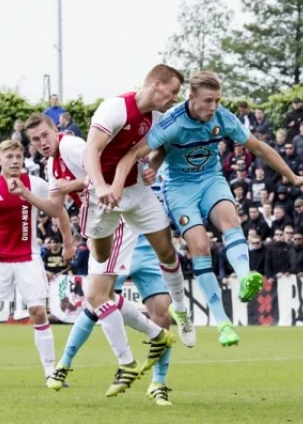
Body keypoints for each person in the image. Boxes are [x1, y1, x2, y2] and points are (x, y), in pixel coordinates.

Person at [110, 71, 303, 346]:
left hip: (211, 180)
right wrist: (126, 181)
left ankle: (245, 276)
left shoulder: (223, 118)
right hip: (179, 189)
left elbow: (258, 147)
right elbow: (136, 153)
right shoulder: (172, 122)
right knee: (200, 246)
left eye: (217, 100)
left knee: (231, 222)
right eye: (208, 101)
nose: (213, 107)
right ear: (192, 97)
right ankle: (223, 323)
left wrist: (292, 176)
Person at [24, 111, 188, 395]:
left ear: (56, 130)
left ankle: (127, 361)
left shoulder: (70, 146)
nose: (42, 142)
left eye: (45, 135)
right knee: (101, 297)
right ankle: (156, 335)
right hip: (101, 223)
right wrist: (24, 194)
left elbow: (106, 172)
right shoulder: (52, 164)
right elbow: (55, 207)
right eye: (36, 140)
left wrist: (71, 185)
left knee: (96, 296)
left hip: (118, 217)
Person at [78, 65, 182, 394]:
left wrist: (153, 166)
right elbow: (90, 150)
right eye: (173, 91)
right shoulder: (116, 108)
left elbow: (162, 146)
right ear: (156, 84)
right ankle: (150, 334)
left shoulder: (157, 119)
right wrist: (99, 186)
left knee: (166, 246)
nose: (175, 97)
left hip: (135, 191)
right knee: (100, 257)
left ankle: (179, 308)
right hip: (101, 194)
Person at [0, 140, 71, 388]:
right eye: (9, 157)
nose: (16, 160)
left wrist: (68, 243)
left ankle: (51, 373)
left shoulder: (35, 184)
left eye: (19, 156)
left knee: (38, 313)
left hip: (29, 259)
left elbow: (57, 211)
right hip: (0, 261)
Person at [49, 193, 178, 405]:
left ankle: (158, 384)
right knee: (95, 303)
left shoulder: (158, 170)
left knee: (162, 313)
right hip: (120, 241)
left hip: (148, 249)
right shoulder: (128, 166)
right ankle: (64, 363)